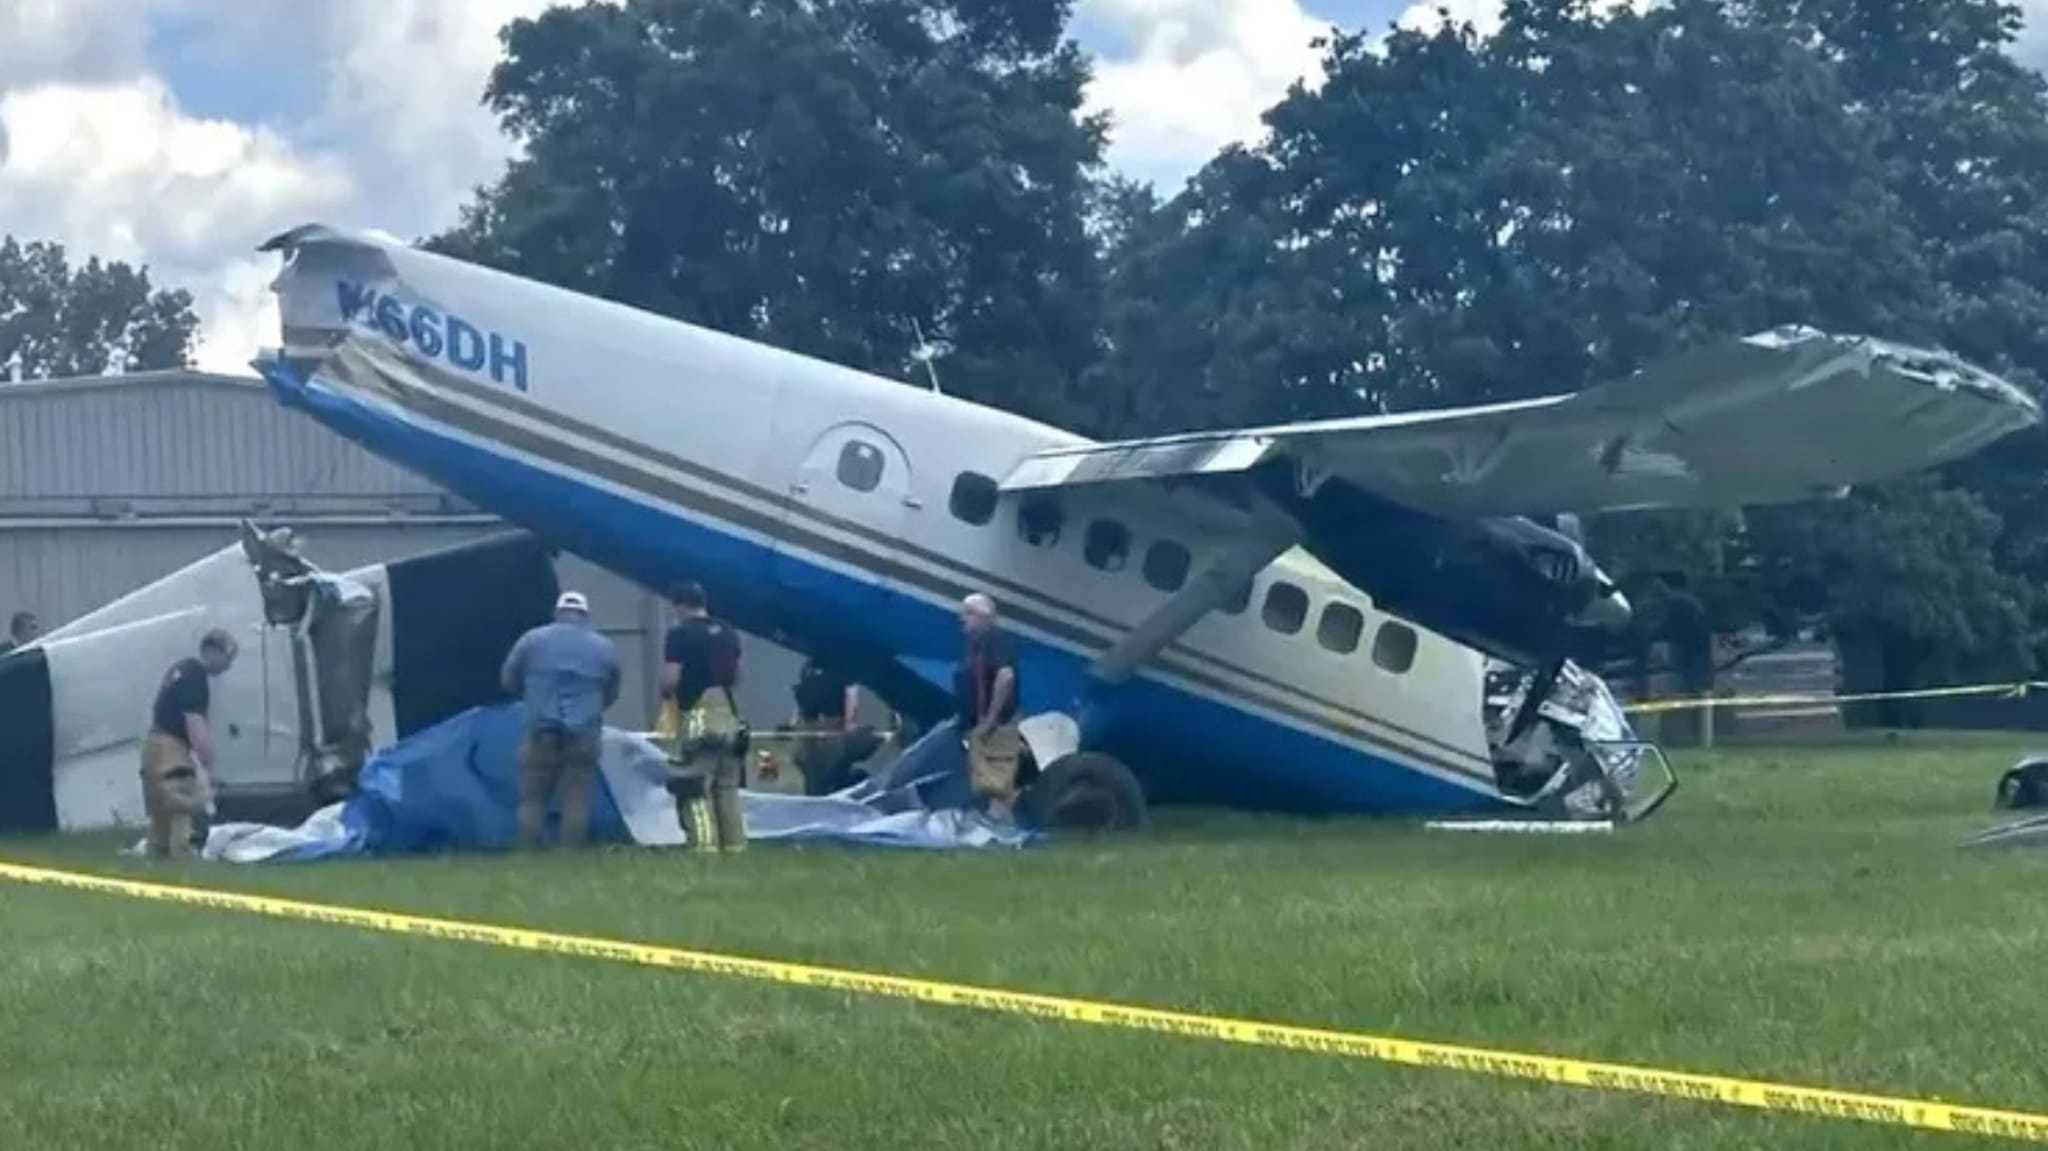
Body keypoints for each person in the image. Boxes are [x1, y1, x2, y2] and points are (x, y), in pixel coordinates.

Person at [499, 591, 622, 850]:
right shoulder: (604, 647)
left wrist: (531, 697)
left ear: (557, 613)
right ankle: (570, 851)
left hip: (540, 730)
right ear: (585, 615)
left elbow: (508, 679)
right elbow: (612, 690)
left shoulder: (531, 640)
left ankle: (528, 849)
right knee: (576, 795)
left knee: (532, 797)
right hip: (584, 732)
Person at [661, 582, 746, 852]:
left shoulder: (680, 634)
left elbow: (671, 678)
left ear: (680, 606)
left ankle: (704, 846)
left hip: (698, 713)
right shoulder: (728, 632)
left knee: (694, 784)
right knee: (727, 786)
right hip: (729, 713)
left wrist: (666, 697)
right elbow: (738, 676)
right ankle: (734, 847)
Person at [141, 628, 238, 859]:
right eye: (229, 657)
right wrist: (210, 768)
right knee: (182, 810)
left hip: (152, 747)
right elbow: (196, 726)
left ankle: (157, 861)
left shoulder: (181, 669)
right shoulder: (196, 677)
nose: (229, 665)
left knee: (160, 817)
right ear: (213, 651)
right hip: (171, 750)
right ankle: (183, 861)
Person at [954, 593, 1023, 819]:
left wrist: (991, 718)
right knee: (985, 779)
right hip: (982, 726)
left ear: (983, 616)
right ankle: (989, 821)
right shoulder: (978, 644)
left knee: (997, 781)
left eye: (968, 613)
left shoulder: (994, 639)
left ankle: (999, 825)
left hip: (995, 726)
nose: (961, 618)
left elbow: (1005, 676)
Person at [790, 655, 861, 796]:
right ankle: (813, 797)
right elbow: (804, 689)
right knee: (804, 760)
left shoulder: (841, 666)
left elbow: (851, 693)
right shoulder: (809, 665)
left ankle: (830, 795)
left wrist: (849, 722)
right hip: (808, 723)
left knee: (831, 764)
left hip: (832, 722)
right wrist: (795, 718)